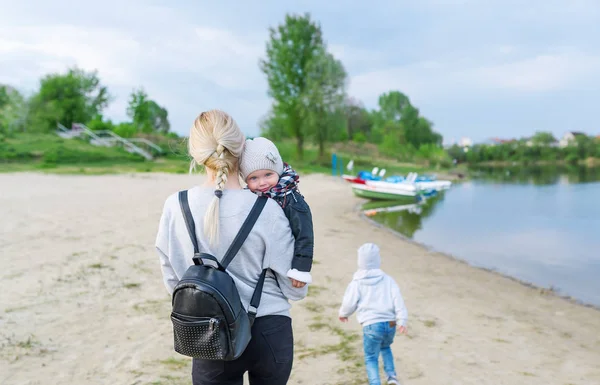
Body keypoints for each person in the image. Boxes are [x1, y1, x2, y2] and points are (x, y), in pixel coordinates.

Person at [155, 110, 308, 385]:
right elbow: (295, 289)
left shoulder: (175, 206)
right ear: (242, 149)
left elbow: (173, 279)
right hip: (267, 329)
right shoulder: (268, 209)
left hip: (207, 329)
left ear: (196, 152)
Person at [239, 137, 314, 288]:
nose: (262, 183)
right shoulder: (248, 198)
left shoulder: (292, 199)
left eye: (268, 175)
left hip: (285, 258)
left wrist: (300, 268)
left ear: (278, 171)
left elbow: (304, 236)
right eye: (253, 178)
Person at [338, 243, 408, 385]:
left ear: (360, 262)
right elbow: (398, 300)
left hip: (371, 325)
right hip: (390, 323)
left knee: (371, 357)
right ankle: (392, 378)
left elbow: (349, 302)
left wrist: (343, 313)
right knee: (386, 347)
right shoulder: (388, 280)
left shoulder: (357, 282)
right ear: (378, 260)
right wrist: (402, 320)